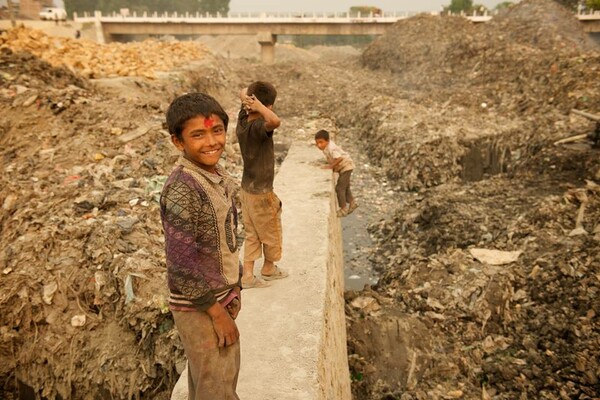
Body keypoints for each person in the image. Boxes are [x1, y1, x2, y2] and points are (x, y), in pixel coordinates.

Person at [161, 92, 242, 400]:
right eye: (198, 135)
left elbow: (223, 241)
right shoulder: (183, 188)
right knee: (217, 389)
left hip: (218, 300)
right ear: (178, 142)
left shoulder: (212, 175)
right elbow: (181, 266)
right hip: (202, 310)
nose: (211, 141)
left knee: (212, 382)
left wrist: (235, 289)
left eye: (217, 130)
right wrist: (217, 313)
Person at [236, 81, 288, 288]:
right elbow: (275, 122)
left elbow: (242, 92)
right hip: (262, 193)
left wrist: (249, 102)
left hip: (246, 189)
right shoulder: (258, 128)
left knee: (252, 233)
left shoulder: (242, 120)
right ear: (269, 107)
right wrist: (261, 107)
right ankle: (268, 267)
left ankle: (247, 275)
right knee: (272, 231)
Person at [315, 129, 358, 217]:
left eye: (321, 142)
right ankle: (352, 203)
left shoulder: (331, 148)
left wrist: (330, 166)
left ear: (327, 141)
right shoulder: (327, 147)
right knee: (345, 187)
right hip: (345, 167)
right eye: (317, 143)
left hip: (346, 167)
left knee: (339, 188)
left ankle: (343, 209)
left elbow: (339, 158)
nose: (319, 145)